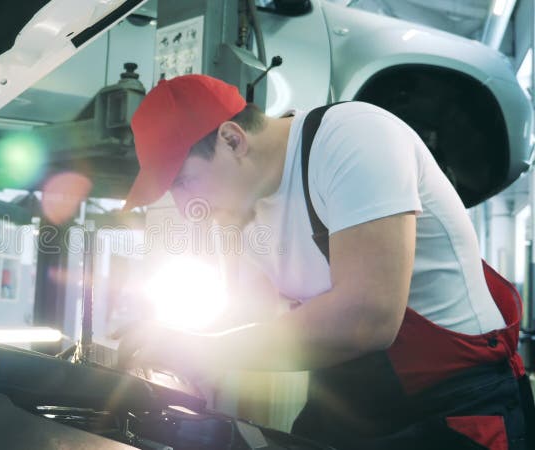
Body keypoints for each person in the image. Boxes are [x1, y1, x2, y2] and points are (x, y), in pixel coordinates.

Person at [118, 74, 535, 449]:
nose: (186, 204)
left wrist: (201, 351)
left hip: (453, 409)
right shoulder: (245, 209)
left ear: (232, 140)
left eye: (184, 182)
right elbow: (253, 320)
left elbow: (367, 319)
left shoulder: (352, 138)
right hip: (352, 403)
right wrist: (166, 341)